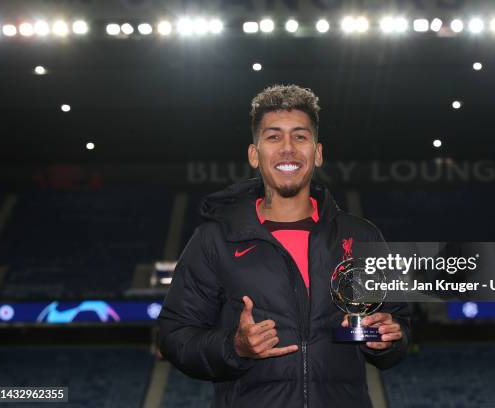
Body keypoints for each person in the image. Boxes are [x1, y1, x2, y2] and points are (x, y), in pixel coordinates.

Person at [157, 84, 410, 407]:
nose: (288, 148)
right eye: (274, 137)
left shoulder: (362, 236)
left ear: (317, 153)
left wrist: (388, 338)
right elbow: (175, 336)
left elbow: (398, 330)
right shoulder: (215, 239)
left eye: (300, 136)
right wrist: (234, 346)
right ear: (254, 153)